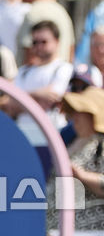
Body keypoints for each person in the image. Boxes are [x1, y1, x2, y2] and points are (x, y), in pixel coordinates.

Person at [46, 87, 104, 231]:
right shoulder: (73, 141)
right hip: (57, 227)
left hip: (89, 229)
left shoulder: (101, 145)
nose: (74, 117)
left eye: (81, 112)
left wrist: (80, 175)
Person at [1, 20, 72, 128]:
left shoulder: (64, 68)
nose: (39, 46)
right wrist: (38, 95)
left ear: (57, 42)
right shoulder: (23, 71)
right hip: (24, 134)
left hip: (53, 134)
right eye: (35, 42)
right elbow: (10, 105)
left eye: (44, 42)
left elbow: (53, 98)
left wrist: (22, 98)